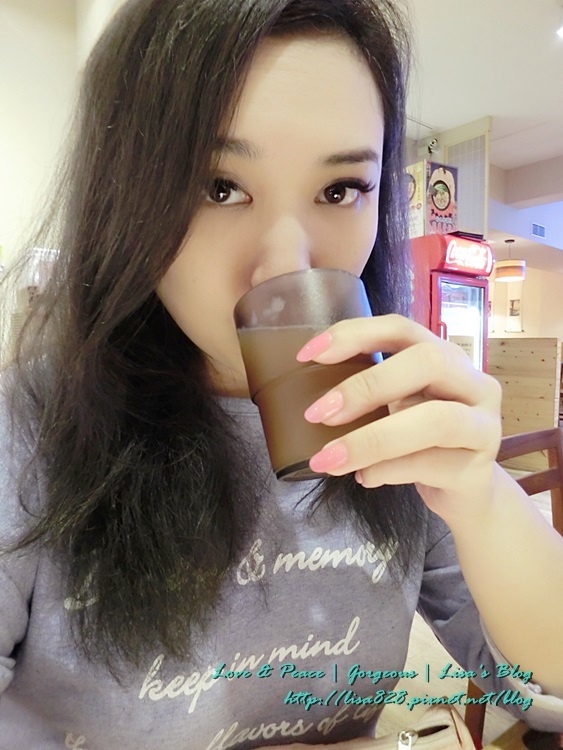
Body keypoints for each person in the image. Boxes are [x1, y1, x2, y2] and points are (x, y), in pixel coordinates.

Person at [0, 0, 562, 748]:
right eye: (218, 187)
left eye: (340, 189)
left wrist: (485, 500)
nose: (286, 265)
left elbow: (533, 687)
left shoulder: (395, 414)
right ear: (123, 197)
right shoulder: (26, 434)